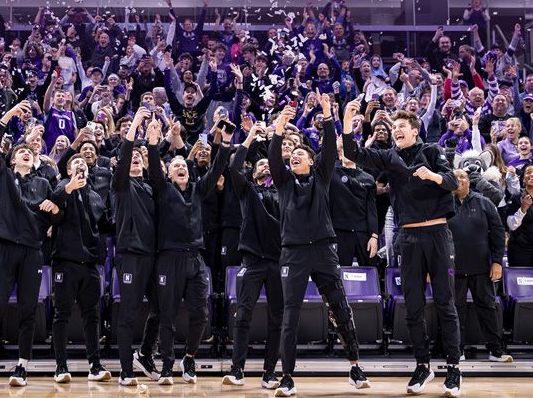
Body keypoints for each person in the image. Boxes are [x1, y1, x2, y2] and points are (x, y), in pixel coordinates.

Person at [343, 103, 455, 397]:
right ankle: (423, 365)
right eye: (393, 129)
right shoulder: (390, 156)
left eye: (401, 127)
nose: (396, 131)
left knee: (445, 302)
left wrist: (431, 176)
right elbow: (354, 153)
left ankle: (454, 369)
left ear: (415, 131)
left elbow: (453, 181)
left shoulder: (431, 151)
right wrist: (346, 122)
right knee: (413, 306)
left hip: (437, 232)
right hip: (408, 237)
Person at [271, 96, 369, 397]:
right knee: (290, 314)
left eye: (301, 153)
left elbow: (329, 148)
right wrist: (278, 127)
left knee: (340, 307)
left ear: (312, 161)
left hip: (325, 250)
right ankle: (286, 376)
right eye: (293, 155)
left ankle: (355, 365)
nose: (294, 157)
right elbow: (275, 156)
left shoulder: (323, 177)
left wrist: (328, 115)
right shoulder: (284, 182)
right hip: (294, 253)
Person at [0, 101, 55, 388]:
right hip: (4, 246)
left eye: (30, 152)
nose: (25, 154)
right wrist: (9, 115)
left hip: (32, 250)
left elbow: (53, 211)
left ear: (35, 160)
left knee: (28, 309)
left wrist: (52, 215)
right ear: (12, 159)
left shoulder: (44, 183)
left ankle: (22, 366)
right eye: (21, 151)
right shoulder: (3, 176)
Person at [144, 116, 226, 385]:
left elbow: (215, 171)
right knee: (166, 314)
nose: (180, 167)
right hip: (168, 258)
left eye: (183, 165)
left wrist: (224, 144)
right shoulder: (162, 188)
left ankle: (189, 357)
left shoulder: (198, 189)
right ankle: (167, 365)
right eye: (176, 165)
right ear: (169, 173)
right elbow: (154, 166)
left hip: (195, 257)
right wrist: (155, 141)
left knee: (201, 313)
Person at [223, 123, 284, 389]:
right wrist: (250, 136)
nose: (264, 166)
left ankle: (270, 372)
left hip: (279, 261)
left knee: (277, 319)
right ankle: (237, 370)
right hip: (251, 261)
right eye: (259, 164)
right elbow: (235, 167)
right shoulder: (247, 190)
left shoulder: (283, 191)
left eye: (267, 164)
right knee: (243, 314)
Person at [46, 155, 112, 383]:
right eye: (76, 162)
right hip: (65, 261)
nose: (81, 163)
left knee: (92, 316)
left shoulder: (95, 196)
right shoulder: (64, 186)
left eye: (84, 162)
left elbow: (104, 225)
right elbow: (53, 201)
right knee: (61, 314)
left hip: (90, 264)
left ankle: (95, 366)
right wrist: (70, 187)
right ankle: (60, 367)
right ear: (68, 169)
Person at [110, 107, 160, 387]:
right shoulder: (121, 185)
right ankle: (126, 369)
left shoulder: (152, 187)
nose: (136, 160)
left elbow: (151, 162)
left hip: (153, 256)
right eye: (132, 159)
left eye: (140, 158)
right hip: (130, 255)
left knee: (162, 310)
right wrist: (136, 125)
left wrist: (152, 139)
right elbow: (127, 153)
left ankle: (144, 354)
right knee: (128, 313)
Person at [446, 168, 511, 363]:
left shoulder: (484, 202)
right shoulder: (443, 203)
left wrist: (497, 261)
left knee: (488, 308)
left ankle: (495, 350)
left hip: (482, 266)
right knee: (455, 310)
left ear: (469, 181)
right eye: (455, 177)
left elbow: (498, 233)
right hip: (453, 268)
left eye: (463, 177)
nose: (459, 180)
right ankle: (458, 350)